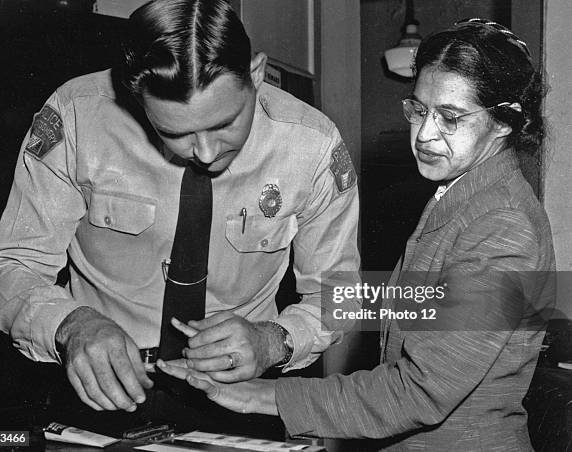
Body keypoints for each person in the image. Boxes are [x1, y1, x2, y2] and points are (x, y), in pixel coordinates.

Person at [160, 18, 556, 450]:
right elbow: (421, 304)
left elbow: (420, 391)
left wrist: (263, 395)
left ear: (504, 123)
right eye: (419, 110)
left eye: (450, 117)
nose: (424, 134)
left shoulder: (501, 227)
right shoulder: (464, 197)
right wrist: (273, 337)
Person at [0, 0, 360, 436]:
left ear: (255, 74)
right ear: (135, 96)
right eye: (174, 133)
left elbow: (341, 295)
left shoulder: (312, 146)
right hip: (96, 393)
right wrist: (72, 325)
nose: (206, 153)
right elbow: (9, 267)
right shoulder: (77, 116)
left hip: (242, 398)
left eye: (226, 123)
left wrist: (275, 340)